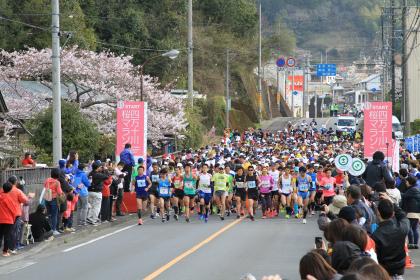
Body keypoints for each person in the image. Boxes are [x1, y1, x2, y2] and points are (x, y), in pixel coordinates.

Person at [372, 192, 410, 279]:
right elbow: (403, 216)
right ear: (393, 214)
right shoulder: (401, 228)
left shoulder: (375, 235)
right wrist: (391, 202)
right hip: (399, 270)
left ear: (378, 213)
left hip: (383, 272)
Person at [400, 176, 420, 249]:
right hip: (416, 211)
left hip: (412, 211)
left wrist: (396, 191)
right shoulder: (416, 188)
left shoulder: (412, 189)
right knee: (415, 228)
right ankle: (415, 244)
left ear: (409, 182)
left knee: (409, 228)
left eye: (406, 181)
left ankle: (411, 243)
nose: (405, 182)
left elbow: (404, 195)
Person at [43, 169, 62, 235]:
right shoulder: (57, 182)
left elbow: (44, 186)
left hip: (47, 199)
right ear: (58, 175)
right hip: (54, 199)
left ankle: (49, 229)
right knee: (54, 215)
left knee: (49, 215)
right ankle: (53, 230)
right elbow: (59, 192)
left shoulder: (47, 180)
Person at [0, 183, 17, 256]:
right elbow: (14, 211)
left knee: (0, 236)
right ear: (10, 190)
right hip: (8, 220)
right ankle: (5, 252)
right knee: (7, 236)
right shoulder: (8, 198)